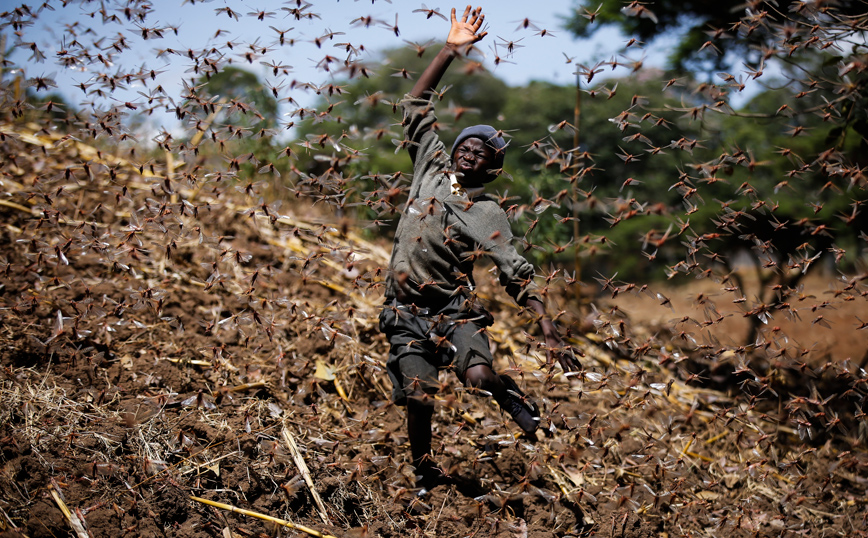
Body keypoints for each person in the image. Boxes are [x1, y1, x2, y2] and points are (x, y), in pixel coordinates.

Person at [379, 5, 581, 491]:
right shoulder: (429, 169)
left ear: (492, 169)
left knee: (480, 378)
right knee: (419, 395)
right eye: (465, 147)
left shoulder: (488, 213)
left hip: (454, 310)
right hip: (405, 310)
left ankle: (506, 393)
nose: (468, 153)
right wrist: (450, 51)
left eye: (481, 153)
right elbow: (415, 102)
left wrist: (547, 326)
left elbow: (515, 271)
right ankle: (425, 469)